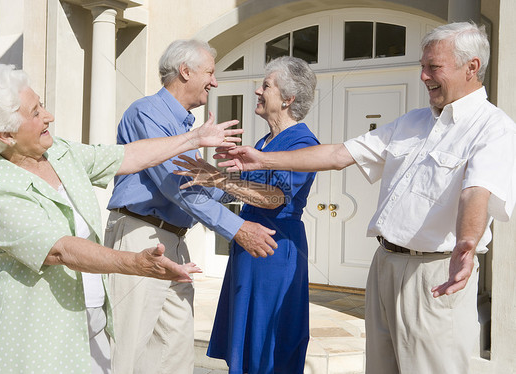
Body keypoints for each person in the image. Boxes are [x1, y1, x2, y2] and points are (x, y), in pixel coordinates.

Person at [214, 22, 516, 374]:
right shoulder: (413, 121)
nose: (422, 76)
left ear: (472, 67)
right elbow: (338, 154)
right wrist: (263, 158)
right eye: (421, 66)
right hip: (385, 264)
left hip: (435, 272)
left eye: (433, 67)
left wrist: (467, 241)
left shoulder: (494, 127)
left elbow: (476, 192)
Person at [0, 64, 243, 374]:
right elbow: (61, 250)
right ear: (6, 135)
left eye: (42, 105)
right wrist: (136, 263)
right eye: (36, 112)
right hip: (37, 342)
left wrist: (193, 138)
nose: (48, 116)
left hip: (89, 325)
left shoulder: (60, 154)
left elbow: (126, 156)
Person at [105, 39, 277, 374]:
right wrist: (238, 229)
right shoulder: (147, 113)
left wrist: (244, 185)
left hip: (173, 241)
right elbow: (178, 187)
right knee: (127, 348)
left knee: (176, 347)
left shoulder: (184, 126)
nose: (215, 82)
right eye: (210, 72)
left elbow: (198, 185)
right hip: (141, 235)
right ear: (185, 71)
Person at [174, 56, 319, 373]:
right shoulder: (265, 141)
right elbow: (240, 189)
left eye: (266, 85)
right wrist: (212, 174)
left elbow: (273, 198)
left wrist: (217, 178)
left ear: (288, 99)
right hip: (249, 247)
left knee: (268, 341)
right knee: (247, 340)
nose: (257, 90)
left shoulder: (302, 141)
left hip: (274, 248)